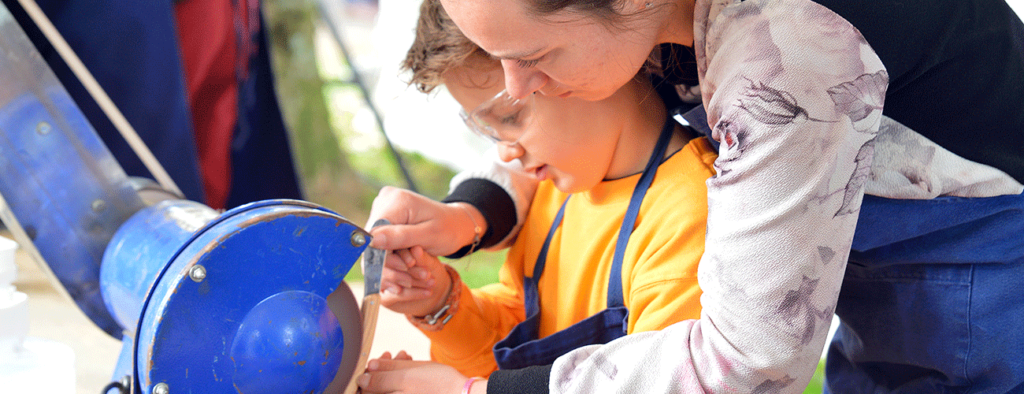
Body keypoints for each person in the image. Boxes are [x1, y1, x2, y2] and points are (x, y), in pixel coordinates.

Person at [362, 0, 1024, 393]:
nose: (518, 84)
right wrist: (472, 213)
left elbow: (749, 362)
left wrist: (481, 392)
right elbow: (566, 126)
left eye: (534, 56)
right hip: (880, 285)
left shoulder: (784, 52)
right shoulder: (639, 28)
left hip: (979, 300)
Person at [367, 0, 714, 386]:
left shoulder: (689, 215)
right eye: (488, 130)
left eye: (511, 116)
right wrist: (441, 303)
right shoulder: (558, 189)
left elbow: (654, 381)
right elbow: (517, 329)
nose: (504, 151)